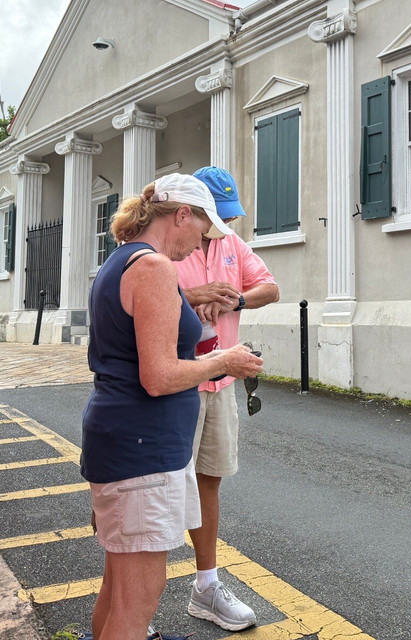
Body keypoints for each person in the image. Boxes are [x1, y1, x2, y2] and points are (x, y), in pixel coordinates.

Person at [79, 174, 264, 640]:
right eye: (201, 231)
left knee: (118, 590)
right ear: (182, 215)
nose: (201, 245)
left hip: (122, 438)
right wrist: (224, 361)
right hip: (144, 448)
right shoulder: (155, 267)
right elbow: (158, 376)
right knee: (139, 599)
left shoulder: (122, 259)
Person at [174, 166, 279, 631]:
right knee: (160, 487)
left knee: (208, 480)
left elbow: (270, 287)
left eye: (231, 214)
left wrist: (236, 301)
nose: (229, 222)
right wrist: (193, 294)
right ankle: (133, 597)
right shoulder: (167, 243)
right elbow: (136, 293)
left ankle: (206, 585)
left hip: (220, 380)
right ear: (193, 211)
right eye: (221, 214)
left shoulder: (232, 244)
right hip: (176, 382)